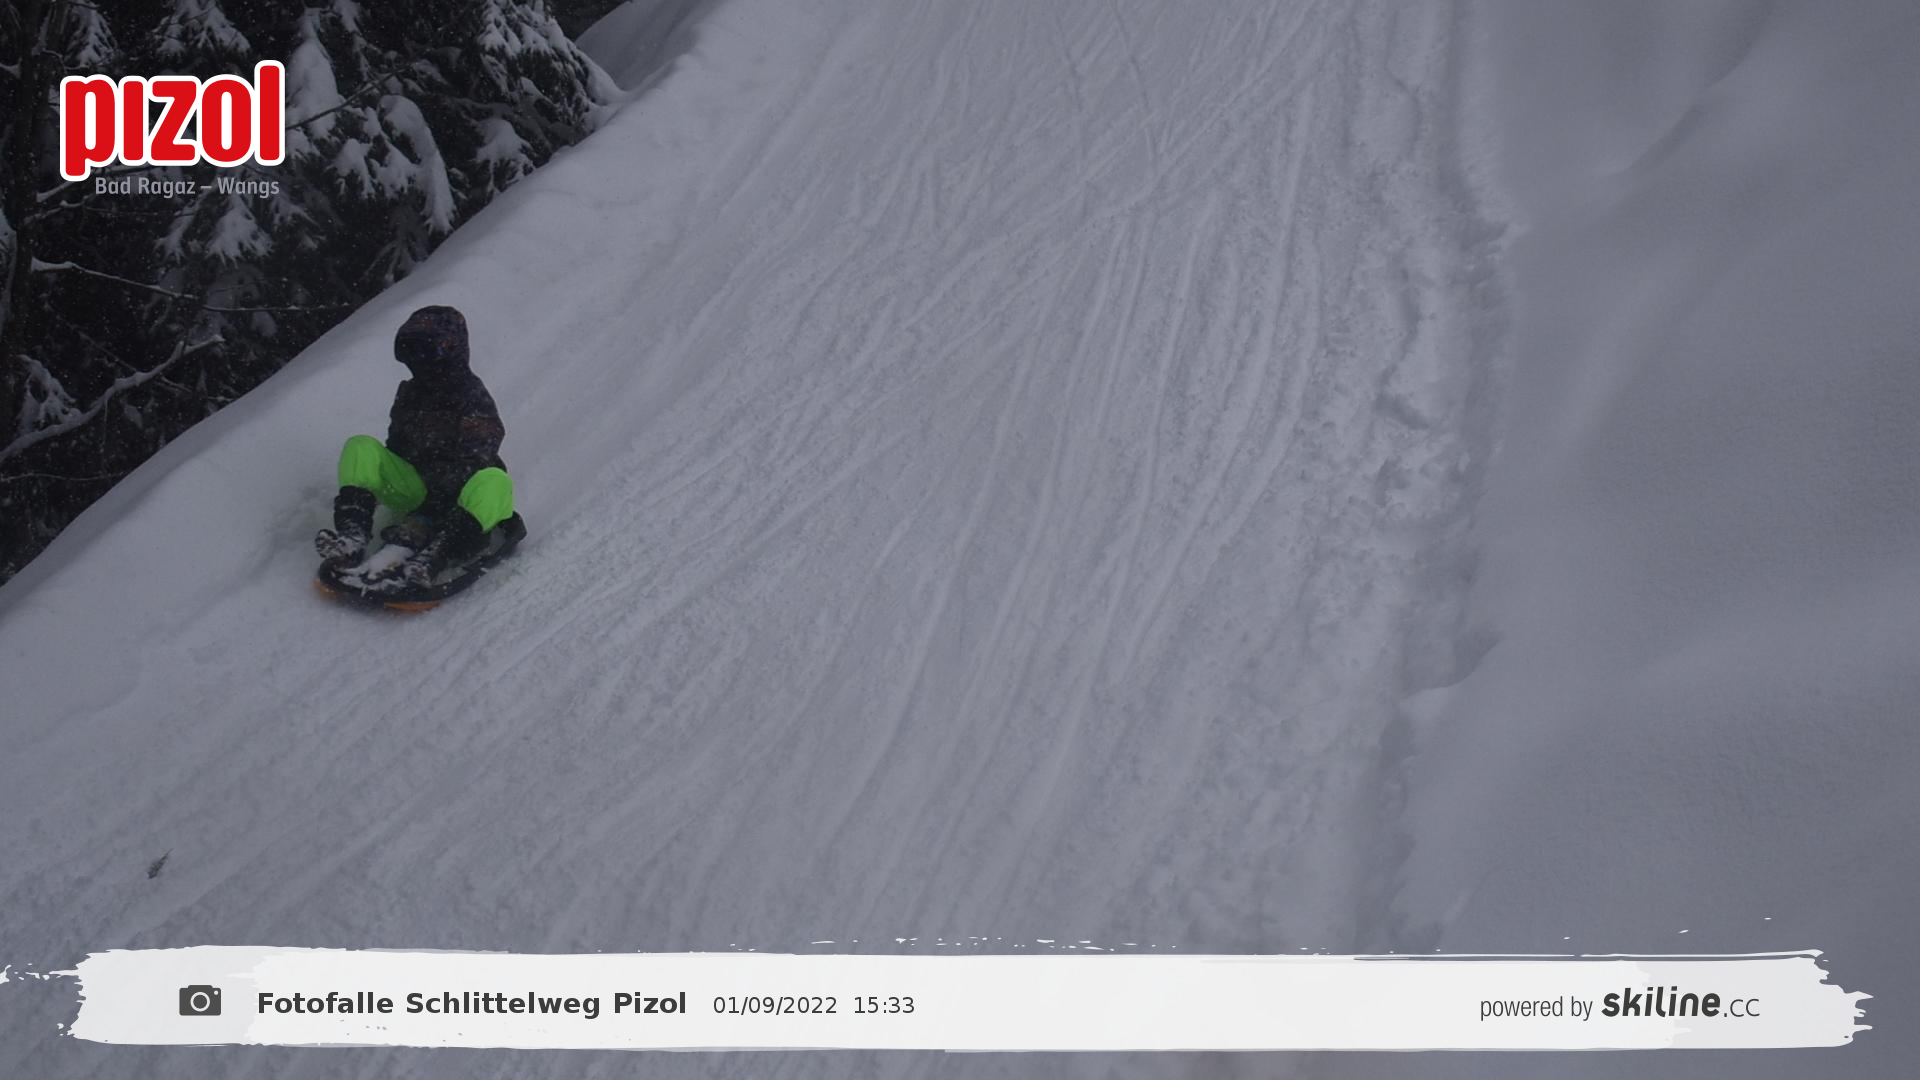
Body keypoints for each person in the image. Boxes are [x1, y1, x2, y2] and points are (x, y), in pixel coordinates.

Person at [314, 305, 515, 586]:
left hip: (461, 500)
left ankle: (438, 554)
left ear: (449, 351)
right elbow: (397, 449)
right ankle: (352, 538)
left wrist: (428, 516)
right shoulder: (411, 394)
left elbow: (476, 460)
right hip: (418, 490)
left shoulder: (471, 396)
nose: (419, 360)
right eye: (412, 351)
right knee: (360, 446)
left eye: (426, 351)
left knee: (495, 481)